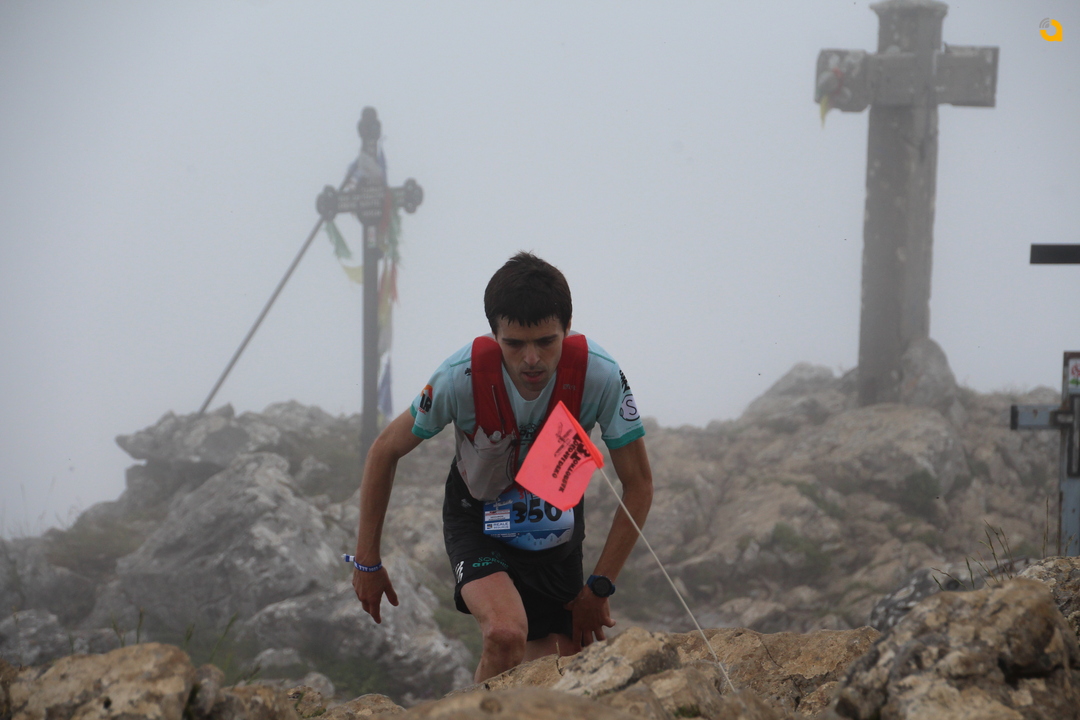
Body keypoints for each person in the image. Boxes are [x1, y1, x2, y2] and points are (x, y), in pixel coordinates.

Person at [350, 252, 653, 683]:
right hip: (477, 516)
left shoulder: (600, 375)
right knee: (505, 634)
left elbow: (639, 485)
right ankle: (474, 712)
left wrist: (600, 585)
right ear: (494, 335)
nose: (532, 359)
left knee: (562, 666)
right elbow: (384, 450)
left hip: (555, 523)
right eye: (514, 344)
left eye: (546, 341)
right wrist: (367, 562)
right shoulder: (459, 376)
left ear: (568, 328)